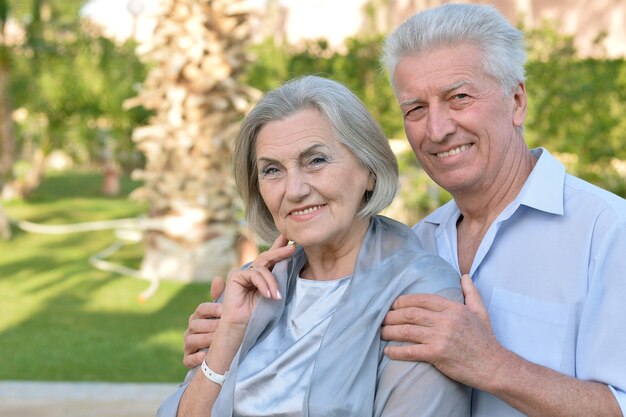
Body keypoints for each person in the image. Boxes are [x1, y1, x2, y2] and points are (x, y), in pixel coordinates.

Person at [181, 4, 626, 417]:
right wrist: (230, 345)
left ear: (516, 101)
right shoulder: (416, 242)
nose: (437, 128)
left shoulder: (607, 232)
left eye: (459, 98)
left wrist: (494, 366)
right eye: (415, 108)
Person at [157, 75, 470, 417]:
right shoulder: (251, 288)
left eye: (316, 160)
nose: (294, 190)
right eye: (272, 170)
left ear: (368, 169)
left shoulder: (420, 289)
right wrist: (227, 336)